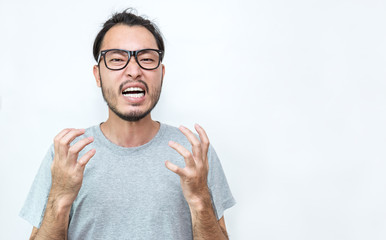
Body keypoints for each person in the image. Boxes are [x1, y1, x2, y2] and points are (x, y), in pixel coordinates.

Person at [20, 9, 235, 240]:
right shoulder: (66, 154)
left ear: (161, 73)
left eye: (147, 59)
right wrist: (60, 199)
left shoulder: (194, 153)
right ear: (98, 75)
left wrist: (200, 199)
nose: (134, 71)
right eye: (116, 59)